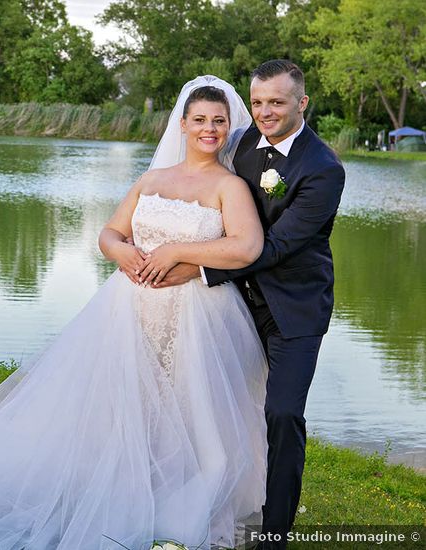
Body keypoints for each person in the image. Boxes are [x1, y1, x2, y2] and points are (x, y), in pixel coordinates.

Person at [0, 76, 269, 549]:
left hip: (196, 316)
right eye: (199, 119)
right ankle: (121, 485)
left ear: (229, 127)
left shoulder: (230, 186)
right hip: (129, 308)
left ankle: (180, 498)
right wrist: (120, 253)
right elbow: (110, 233)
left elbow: (247, 246)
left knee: (189, 407)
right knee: (126, 404)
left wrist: (180, 250)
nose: (209, 129)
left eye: (218, 121)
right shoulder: (152, 180)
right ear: (181, 124)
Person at [150, 61, 345, 549]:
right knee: (210, 403)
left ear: (302, 103)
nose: (264, 112)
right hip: (233, 303)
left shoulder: (323, 169)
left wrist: (195, 268)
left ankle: (274, 532)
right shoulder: (239, 144)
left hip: (293, 311)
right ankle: (204, 502)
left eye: (277, 102)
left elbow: (273, 246)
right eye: (257, 102)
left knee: (281, 414)